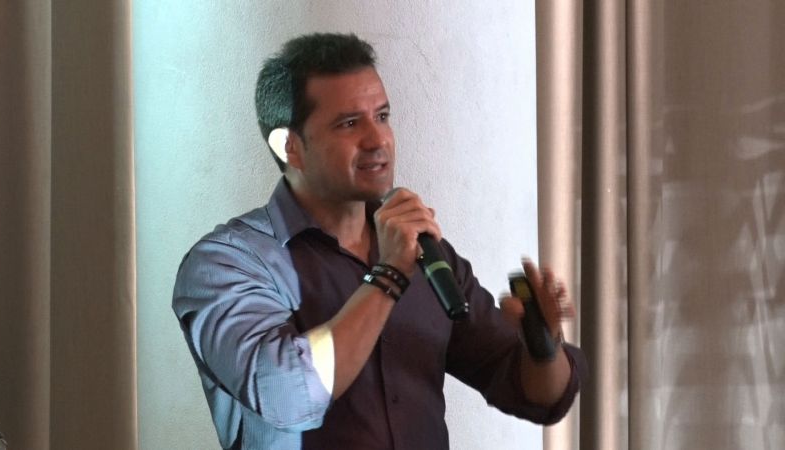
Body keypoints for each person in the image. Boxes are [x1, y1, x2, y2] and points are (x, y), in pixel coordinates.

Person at [173, 32, 587, 450]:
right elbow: (285, 393)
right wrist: (388, 276)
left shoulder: (423, 251)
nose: (378, 140)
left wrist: (542, 346)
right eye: (349, 123)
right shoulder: (228, 263)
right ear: (290, 147)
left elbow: (535, 396)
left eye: (382, 116)